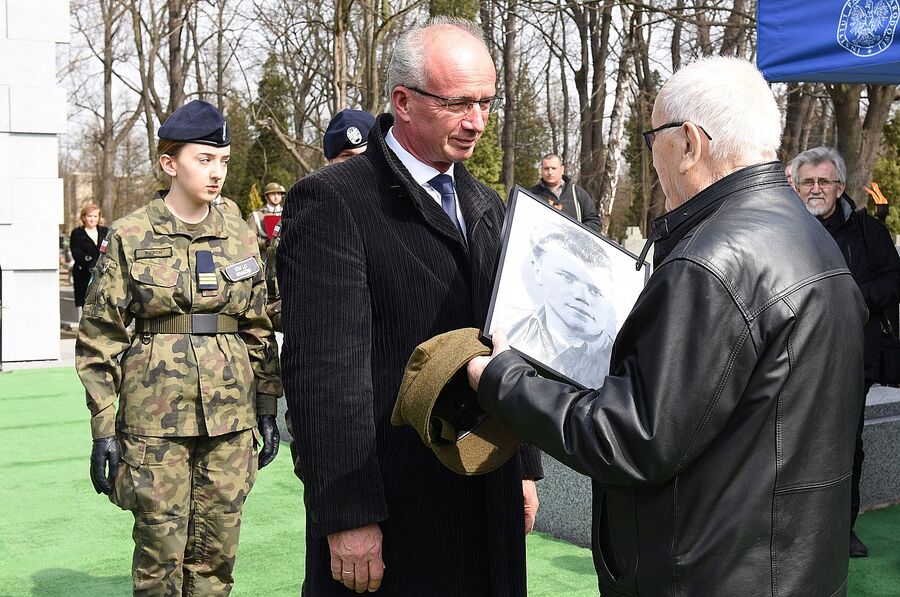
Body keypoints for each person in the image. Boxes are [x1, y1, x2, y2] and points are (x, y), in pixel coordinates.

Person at [467, 56, 867, 596]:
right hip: (791, 565)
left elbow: (632, 439)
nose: (649, 153)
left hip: (707, 572)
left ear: (689, 142)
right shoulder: (807, 234)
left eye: (651, 135)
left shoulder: (712, 263)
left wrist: (500, 378)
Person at [277, 17, 542, 596]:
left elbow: (509, 341)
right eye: (459, 104)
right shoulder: (335, 201)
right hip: (395, 507)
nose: (478, 122)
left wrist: (522, 467)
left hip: (485, 487)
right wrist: (347, 514)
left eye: (487, 103)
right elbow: (324, 374)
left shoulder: (485, 203)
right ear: (403, 100)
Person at [75, 99, 282, 596]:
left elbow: (256, 326)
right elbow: (99, 338)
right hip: (155, 422)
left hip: (231, 419)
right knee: (159, 555)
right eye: (203, 159)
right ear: (170, 163)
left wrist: (268, 406)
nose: (216, 173)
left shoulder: (240, 235)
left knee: (216, 554)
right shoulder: (130, 234)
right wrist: (103, 428)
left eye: (224, 161)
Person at [790, 146, 900, 558]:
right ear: (795, 187)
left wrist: (851, 297)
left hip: (851, 356)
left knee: (844, 443)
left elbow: (894, 280)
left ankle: (841, 529)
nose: (815, 189)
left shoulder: (869, 232)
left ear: (839, 186)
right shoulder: (782, 229)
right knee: (792, 442)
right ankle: (791, 531)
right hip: (791, 356)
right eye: (808, 182)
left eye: (824, 181)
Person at [264, 108, 375, 482]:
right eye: (346, 159)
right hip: (325, 387)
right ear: (328, 161)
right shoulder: (305, 215)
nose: (357, 168)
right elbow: (275, 302)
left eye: (366, 158)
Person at [507, 226, 616, 388]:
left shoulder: (616, 365)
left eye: (594, 291)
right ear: (538, 270)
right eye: (567, 278)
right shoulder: (509, 328)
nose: (582, 296)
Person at [528, 153, 602, 232]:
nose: (550, 172)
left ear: (562, 169)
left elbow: (595, 223)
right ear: (541, 170)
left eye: (553, 168)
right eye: (546, 168)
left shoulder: (577, 194)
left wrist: (575, 231)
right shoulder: (531, 195)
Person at [69, 203, 109, 316]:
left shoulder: (105, 231)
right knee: (87, 306)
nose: (92, 219)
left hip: (103, 274)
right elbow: (76, 253)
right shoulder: (77, 233)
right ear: (83, 217)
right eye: (90, 216)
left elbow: (110, 249)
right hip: (84, 274)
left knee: (103, 304)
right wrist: (92, 263)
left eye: (95, 216)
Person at [247, 182, 285, 254]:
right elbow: (250, 238)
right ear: (266, 196)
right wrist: (265, 243)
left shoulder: (287, 213)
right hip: (266, 255)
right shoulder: (257, 215)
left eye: (279, 194)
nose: (276, 196)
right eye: (273, 194)